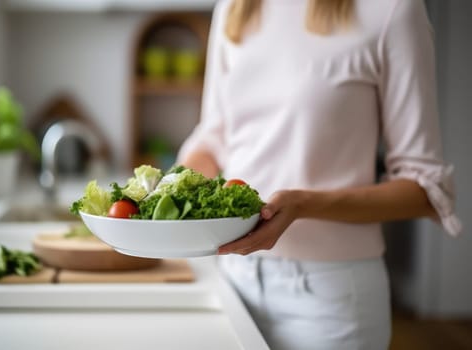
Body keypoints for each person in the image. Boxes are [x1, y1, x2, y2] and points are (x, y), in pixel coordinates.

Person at [177, 0, 462, 349]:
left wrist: (302, 204)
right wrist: (175, 195)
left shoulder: (391, 9)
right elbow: (214, 138)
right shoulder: (237, 6)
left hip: (330, 299)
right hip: (234, 282)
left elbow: (423, 188)